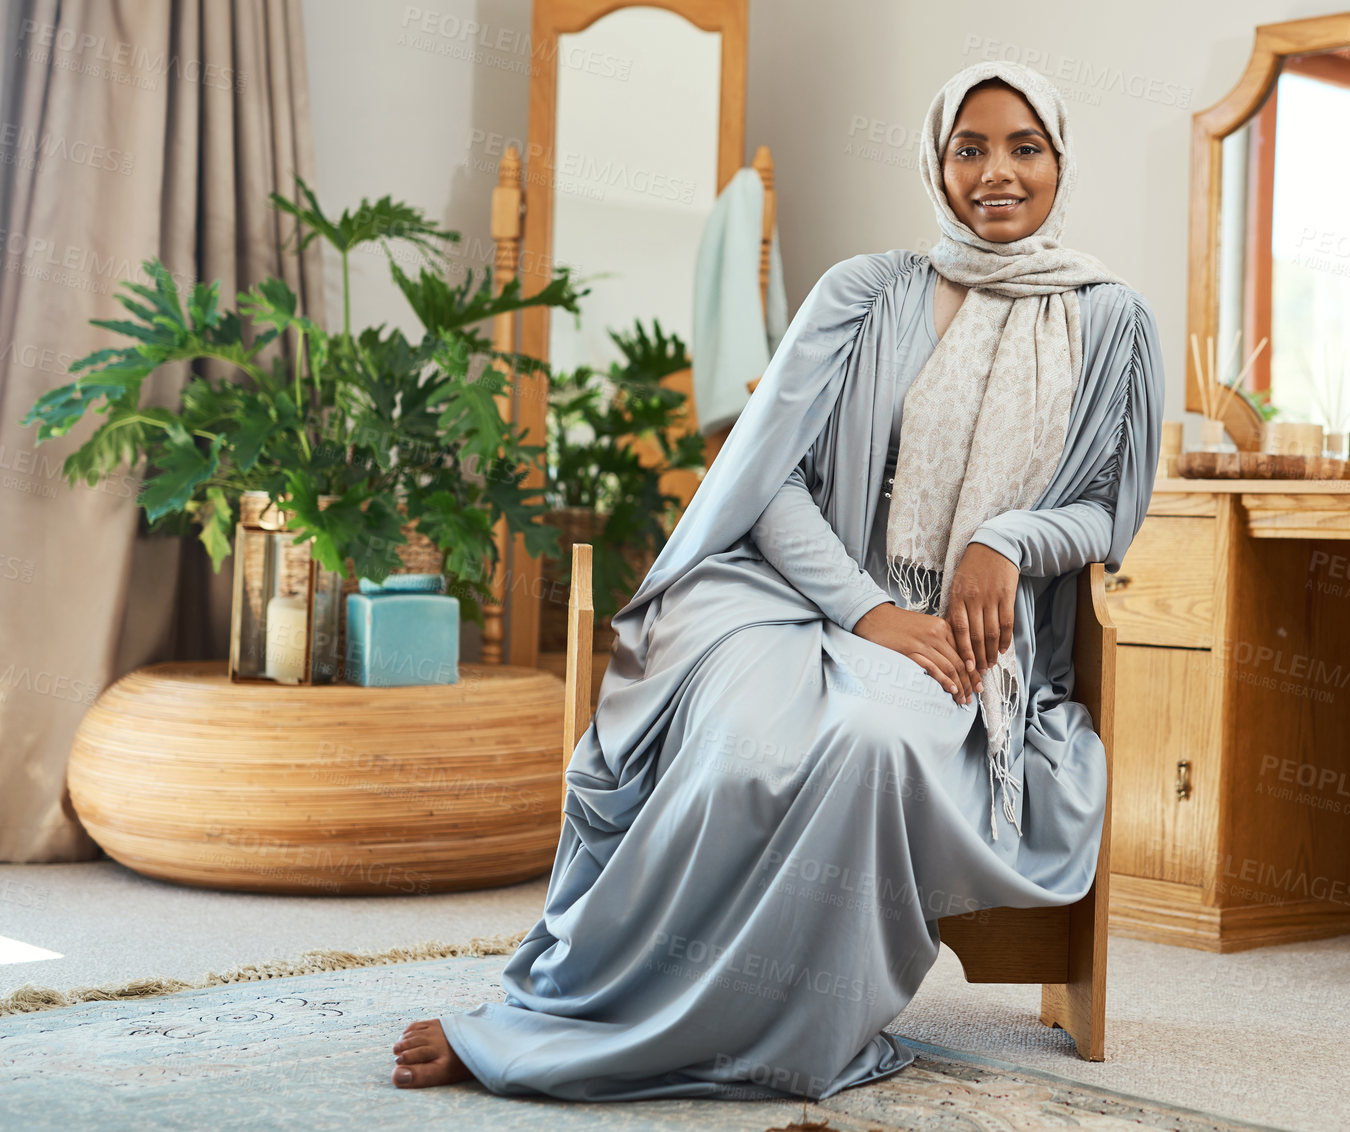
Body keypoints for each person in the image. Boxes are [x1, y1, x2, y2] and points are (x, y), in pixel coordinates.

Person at [391, 58, 1165, 1102]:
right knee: (740, 740)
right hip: (798, 597)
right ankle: (588, 1010)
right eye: (968, 148)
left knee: (870, 740)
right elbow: (770, 481)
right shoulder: (862, 292)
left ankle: (768, 1025)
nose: (997, 173)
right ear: (935, 165)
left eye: (1023, 148)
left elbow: (1110, 508)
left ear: (1059, 160)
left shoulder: (1109, 318)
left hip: (970, 636)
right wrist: (869, 607)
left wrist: (1009, 539)